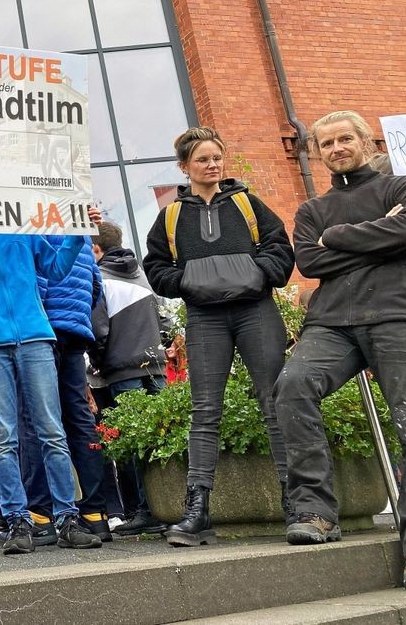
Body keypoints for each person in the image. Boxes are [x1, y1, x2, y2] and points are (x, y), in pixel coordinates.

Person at [274, 111, 406, 588]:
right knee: (292, 386)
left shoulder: (402, 188)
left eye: (344, 139)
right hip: (331, 324)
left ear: (365, 142)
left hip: (398, 316)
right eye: (327, 143)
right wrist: (381, 235)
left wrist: (338, 239)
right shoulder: (312, 211)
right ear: (317, 153)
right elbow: (311, 260)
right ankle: (315, 513)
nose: (336, 149)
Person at [142, 126, 295, 548]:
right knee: (205, 410)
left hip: (256, 312)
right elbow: (155, 266)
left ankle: (295, 501)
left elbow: (281, 248)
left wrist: (255, 274)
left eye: (216, 158)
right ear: (184, 167)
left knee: (275, 403)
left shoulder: (247, 203)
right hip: (204, 319)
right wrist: (189, 282)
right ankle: (198, 510)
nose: (212, 165)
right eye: (202, 160)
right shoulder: (171, 215)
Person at [0, 228, 101, 555]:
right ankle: (17, 520)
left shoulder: (20, 227)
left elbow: (55, 268)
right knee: (3, 438)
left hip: (34, 337)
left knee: (51, 431)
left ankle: (67, 518)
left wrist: (75, 235)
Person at [26, 233, 110, 545]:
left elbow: (39, 278)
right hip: (75, 331)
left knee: (36, 419)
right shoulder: (81, 235)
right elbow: (95, 285)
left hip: (42, 330)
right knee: (80, 419)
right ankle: (95, 513)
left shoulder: (36, 226)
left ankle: (41, 514)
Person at [89, 221, 169, 537]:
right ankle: (166, 505)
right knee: (160, 437)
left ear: (97, 249)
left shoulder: (100, 279)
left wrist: (97, 363)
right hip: (156, 366)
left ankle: (144, 510)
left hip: (121, 370)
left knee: (133, 442)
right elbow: (164, 321)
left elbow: (98, 331)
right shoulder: (142, 275)